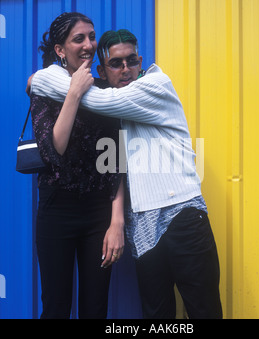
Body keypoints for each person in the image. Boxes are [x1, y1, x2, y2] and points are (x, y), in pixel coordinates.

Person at [29, 28, 222, 319]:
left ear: (141, 61)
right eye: (116, 64)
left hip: (181, 214)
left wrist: (37, 79)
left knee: (203, 310)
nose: (126, 69)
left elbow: (92, 99)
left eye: (132, 61)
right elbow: (112, 164)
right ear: (102, 72)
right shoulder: (111, 108)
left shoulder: (155, 84)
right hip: (141, 224)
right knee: (157, 315)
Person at [30, 13, 125, 319]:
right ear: (60, 49)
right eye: (78, 38)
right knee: (56, 307)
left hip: (98, 212)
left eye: (91, 36)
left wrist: (116, 222)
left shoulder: (103, 93)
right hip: (56, 210)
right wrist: (74, 91)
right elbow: (53, 149)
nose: (89, 44)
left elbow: (116, 161)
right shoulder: (44, 87)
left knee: (95, 309)